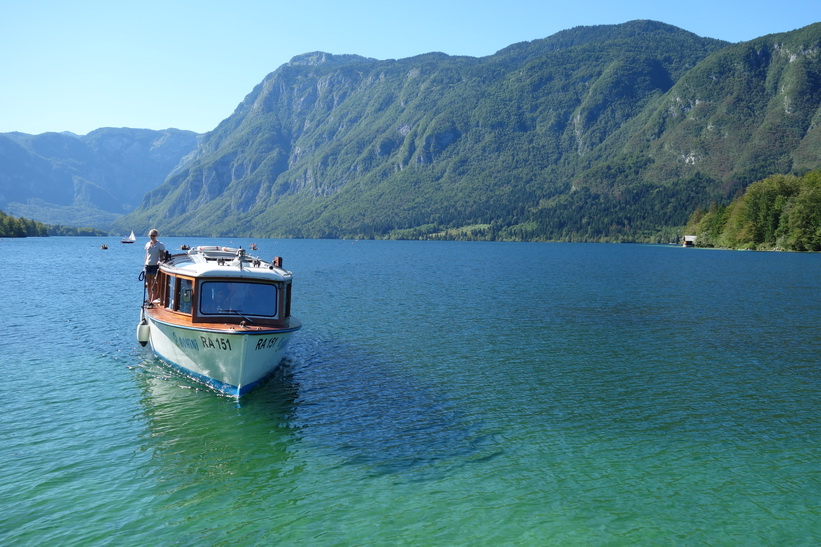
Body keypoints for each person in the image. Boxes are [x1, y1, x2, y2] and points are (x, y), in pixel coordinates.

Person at [144, 228, 166, 304]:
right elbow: (146, 255)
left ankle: (154, 299)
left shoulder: (160, 245)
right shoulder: (147, 244)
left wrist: (160, 261)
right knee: (149, 284)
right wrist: (144, 265)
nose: (152, 237)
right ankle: (150, 299)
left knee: (154, 284)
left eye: (153, 235)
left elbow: (162, 255)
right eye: (151, 235)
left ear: (156, 236)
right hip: (148, 265)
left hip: (155, 266)